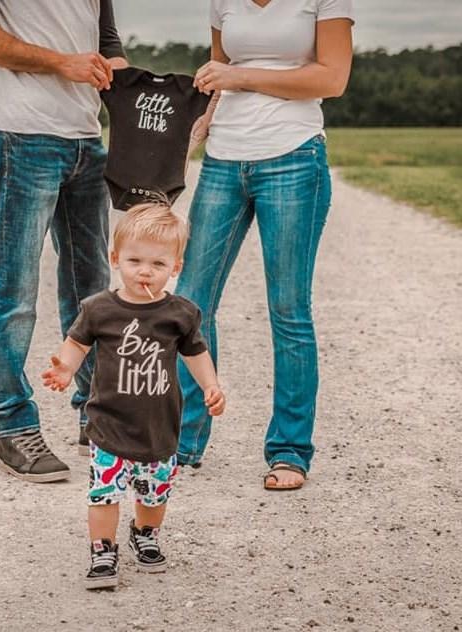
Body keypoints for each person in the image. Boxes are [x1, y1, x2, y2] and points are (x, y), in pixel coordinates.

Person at [176, 0, 354, 489]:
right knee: (190, 303)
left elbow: (332, 79)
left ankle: (289, 451)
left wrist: (240, 77)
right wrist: (200, 123)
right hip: (223, 160)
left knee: (288, 308)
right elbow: (218, 72)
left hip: (293, 157)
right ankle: (183, 442)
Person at [0, 1, 127, 482]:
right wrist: (63, 63)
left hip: (86, 139)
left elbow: (106, 43)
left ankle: (96, 413)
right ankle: (14, 424)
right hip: (22, 134)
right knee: (15, 288)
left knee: (92, 289)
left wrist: (145, 99)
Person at [42, 203, 225, 589]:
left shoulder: (180, 314)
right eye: (134, 260)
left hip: (158, 427)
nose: (145, 271)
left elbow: (195, 352)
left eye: (158, 264)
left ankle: (145, 533)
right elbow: (77, 343)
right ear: (115, 259)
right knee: (104, 493)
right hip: (108, 424)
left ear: (175, 267)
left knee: (153, 495)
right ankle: (102, 549)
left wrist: (211, 384)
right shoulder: (99, 309)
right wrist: (65, 368)